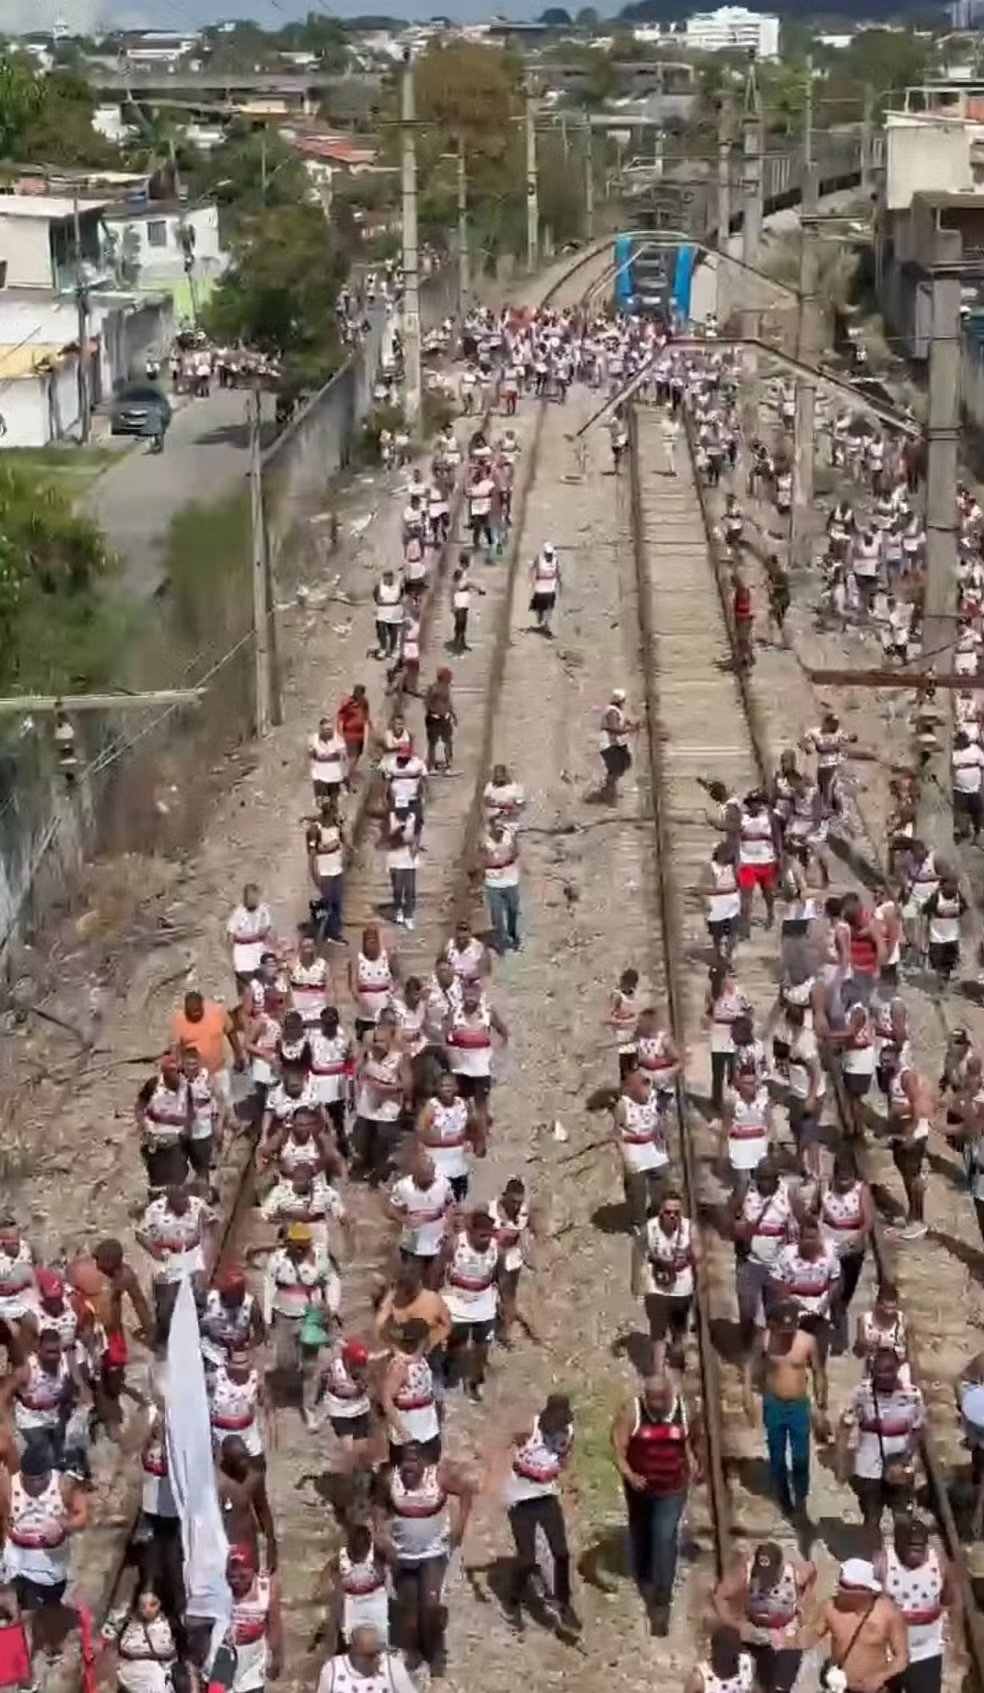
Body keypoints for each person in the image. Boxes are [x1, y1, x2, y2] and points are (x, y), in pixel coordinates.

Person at [610, 1372, 703, 1636]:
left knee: (664, 1536)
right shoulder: (633, 1411)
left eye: (662, 1399)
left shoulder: (685, 1410)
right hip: (640, 1486)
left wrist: (692, 1460)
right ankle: (643, 1575)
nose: (658, 1405)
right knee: (640, 1531)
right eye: (653, 1399)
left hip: (672, 1487)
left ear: (670, 1395)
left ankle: (661, 1604)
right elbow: (618, 1444)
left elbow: (689, 1439)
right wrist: (628, 1473)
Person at [373, 1443, 474, 1675]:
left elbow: (467, 1492)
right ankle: (414, 1651)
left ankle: (436, 1652)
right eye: (406, 1462)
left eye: (415, 1462)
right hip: (403, 1555)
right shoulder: (390, 1480)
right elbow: (378, 1506)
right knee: (409, 1612)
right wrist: (381, 1536)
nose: (410, 1467)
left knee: (430, 1606)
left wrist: (459, 1526)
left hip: (433, 1552)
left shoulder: (438, 1478)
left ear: (424, 1464)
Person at [0, 1440, 88, 1660]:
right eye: (29, 1480)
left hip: (50, 1562)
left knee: (51, 1610)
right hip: (18, 1559)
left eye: (40, 1479)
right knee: (24, 1615)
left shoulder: (64, 1485)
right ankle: (22, 1672)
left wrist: (64, 1526)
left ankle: (52, 1641)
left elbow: (82, 1515)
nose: (35, 1485)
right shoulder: (8, 1484)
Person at [503, 1394, 580, 1635]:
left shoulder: (568, 1432)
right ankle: (513, 1599)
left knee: (561, 1552)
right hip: (521, 1499)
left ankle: (564, 1604)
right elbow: (507, 1442)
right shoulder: (530, 1426)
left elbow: (566, 1457)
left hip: (546, 1496)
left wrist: (563, 1474)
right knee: (527, 1558)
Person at [749, 1300, 827, 1530]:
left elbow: (818, 1372)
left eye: (791, 1329)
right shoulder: (764, 1340)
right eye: (782, 1330)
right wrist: (746, 1396)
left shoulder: (807, 1342)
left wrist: (821, 1404)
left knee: (801, 1457)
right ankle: (784, 1499)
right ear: (772, 1325)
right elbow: (750, 1365)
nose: (787, 1335)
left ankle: (800, 1499)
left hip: (798, 1405)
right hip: (773, 1404)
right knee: (777, 1456)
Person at [838, 1348, 926, 1545]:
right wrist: (842, 1465)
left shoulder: (912, 1396)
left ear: (897, 1369)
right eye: (879, 1371)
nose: (883, 1376)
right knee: (872, 1516)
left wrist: (905, 1460)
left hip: (900, 1466)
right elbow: (845, 1426)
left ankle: (901, 1554)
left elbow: (918, 1430)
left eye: (888, 1370)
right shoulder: (861, 1393)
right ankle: (875, 1558)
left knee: (902, 1515)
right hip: (868, 1468)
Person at [713, 1542, 816, 1693]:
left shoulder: (797, 1573)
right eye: (761, 1574)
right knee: (753, 1679)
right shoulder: (746, 1573)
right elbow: (720, 1596)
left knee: (782, 1682)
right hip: (757, 1627)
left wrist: (804, 1602)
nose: (765, 1579)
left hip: (785, 1628)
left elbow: (813, 1572)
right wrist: (737, 1625)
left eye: (769, 1575)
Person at [793, 1559, 908, 1693]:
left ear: (864, 1590)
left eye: (844, 1586)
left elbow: (902, 1659)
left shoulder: (888, 1612)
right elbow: (810, 1636)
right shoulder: (830, 1607)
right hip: (842, 1688)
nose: (838, 1588)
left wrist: (878, 1678)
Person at [874, 1515, 958, 1693]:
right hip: (889, 1652)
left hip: (927, 1651)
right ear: (898, 1544)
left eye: (919, 1547)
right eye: (910, 1545)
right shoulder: (884, 1562)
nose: (915, 1550)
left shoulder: (939, 1563)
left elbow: (949, 1599)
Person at [632, 1189, 698, 1368]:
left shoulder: (690, 1229)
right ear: (661, 1211)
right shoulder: (650, 1228)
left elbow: (699, 1257)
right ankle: (658, 1370)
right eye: (668, 1212)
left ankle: (677, 1351)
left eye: (676, 1213)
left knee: (678, 1328)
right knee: (658, 1327)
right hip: (657, 1284)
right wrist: (636, 1282)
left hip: (682, 1285)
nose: (672, 1216)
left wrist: (701, 1286)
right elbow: (638, 1251)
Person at [225, 1545, 284, 1693]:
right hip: (226, 1660)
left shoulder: (267, 1588)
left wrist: (277, 1657)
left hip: (254, 1662)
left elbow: (275, 1624)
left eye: (242, 1576)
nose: (237, 1581)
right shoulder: (221, 1588)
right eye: (233, 1576)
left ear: (253, 1571)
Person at [316, 1624, 418, 1693]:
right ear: (353, 1653)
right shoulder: (333, 1669)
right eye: (369, 1655)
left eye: (377, 1653)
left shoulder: (392, 1667)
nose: (376, 1659)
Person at [482, 819, 521, 954]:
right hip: (493, 881)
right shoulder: (485, 841)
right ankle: (501, 939)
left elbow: (516, 853)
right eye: (496, 826)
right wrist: (495, 860)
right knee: (496, 913)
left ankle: (512, 932)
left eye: (501, 826)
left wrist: (504, 857)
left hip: (510, 878)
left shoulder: (509, 837)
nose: (499, 829)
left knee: (513, 909)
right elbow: (482, 858)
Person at [684, 1625, 755, 1693]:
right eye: (725, 1655)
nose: (730, 1660)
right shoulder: (700, 1678)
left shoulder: (746, 1664)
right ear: (714, 1651)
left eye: (734, 1656)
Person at [599, 688, 637, 803]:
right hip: (609, 744)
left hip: (615, 744)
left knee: (624, 764)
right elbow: (614, 728)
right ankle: (609, 793)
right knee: (617, 768)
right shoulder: (612, 711)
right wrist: (629, 729)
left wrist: (627, 723)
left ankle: (609, 791)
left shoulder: (615, 711)